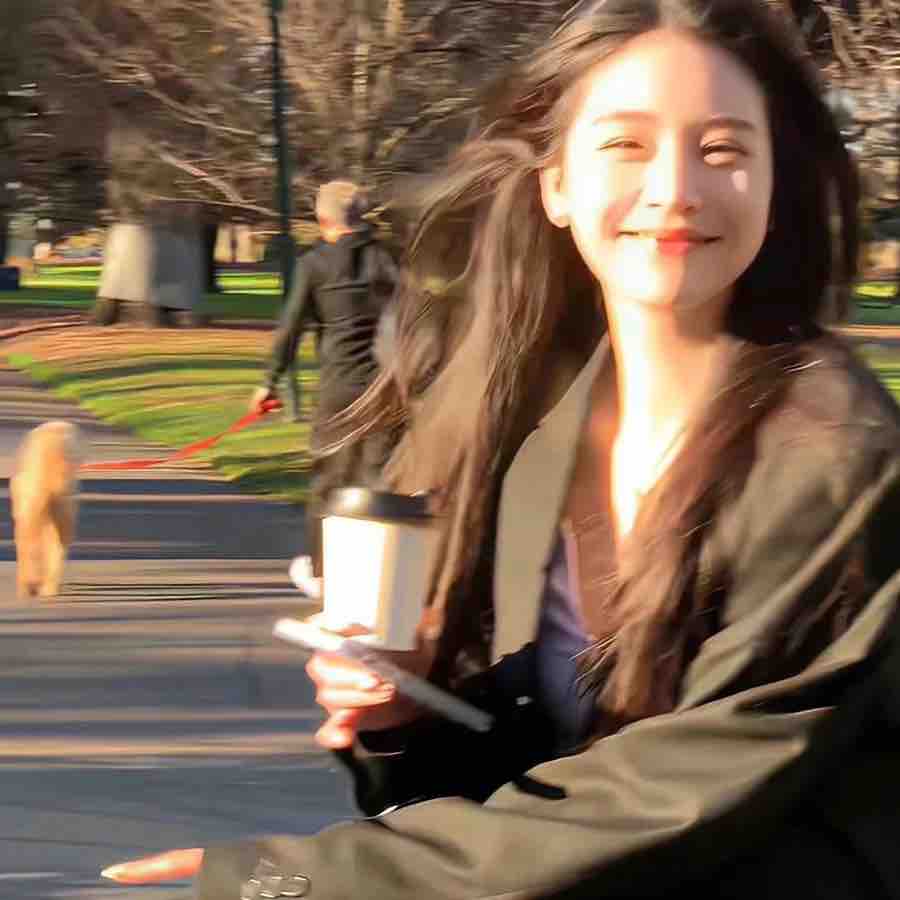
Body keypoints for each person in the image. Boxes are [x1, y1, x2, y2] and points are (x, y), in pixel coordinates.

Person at [102, 0, 900, 896]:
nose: (675, 186)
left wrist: (306, 880)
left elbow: (674, 798)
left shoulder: (835, 451)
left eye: (722, 149)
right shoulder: (527, 429)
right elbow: (520, 783)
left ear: (774, 183)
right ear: (556, 185)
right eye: (626, 144)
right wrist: (403, 711)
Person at [251, 180, 399, 598]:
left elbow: (290, 330)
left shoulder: (314, 265)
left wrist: (268, 382)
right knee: (378, 483)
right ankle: (382, 580)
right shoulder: (389, 259)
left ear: (322, 219)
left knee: (329, 483)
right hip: (387, 391)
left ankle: (322, 574)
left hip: (338, 391)